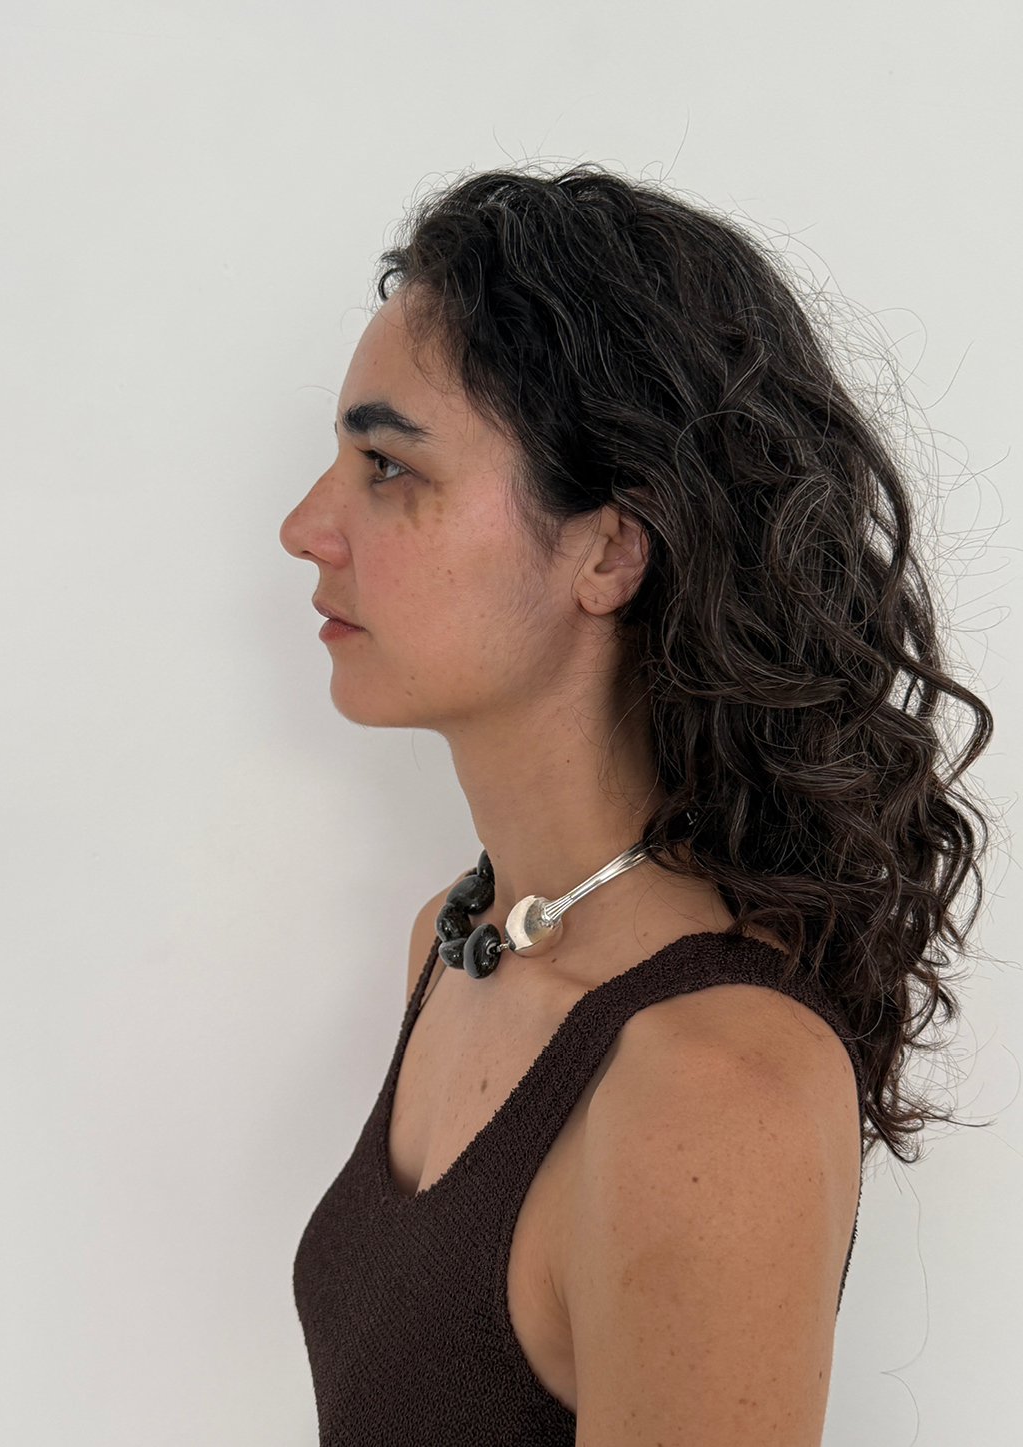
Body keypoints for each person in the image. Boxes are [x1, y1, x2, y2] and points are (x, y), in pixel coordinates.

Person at [279, 167, 991, 1446]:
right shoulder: (455, 942)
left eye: (388, 466)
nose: (304, 526)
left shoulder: (711, 1091)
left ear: (608, 549)